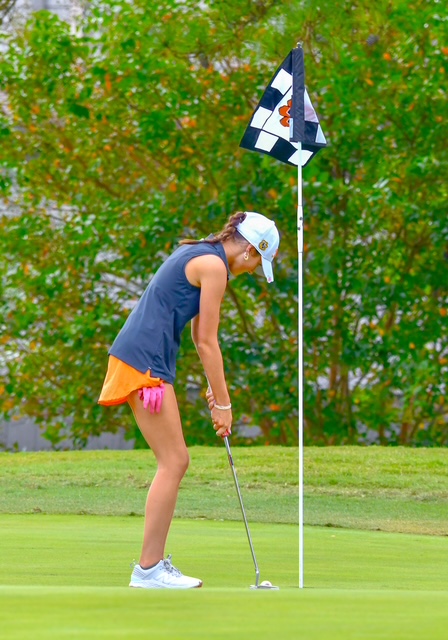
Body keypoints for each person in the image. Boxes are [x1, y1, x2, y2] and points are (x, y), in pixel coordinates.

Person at [98, 210, 280, 589]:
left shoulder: (202, 253)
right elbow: (208, 342)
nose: (251, 271)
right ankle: (148, 570)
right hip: (144, 362)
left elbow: (201, 340)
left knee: (175, 460)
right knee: (175, 460)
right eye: (256, 264)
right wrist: (225, 404)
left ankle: (150, 568)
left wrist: (217, 393)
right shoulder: (214, 268)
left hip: (140, 357)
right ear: (248, 250)